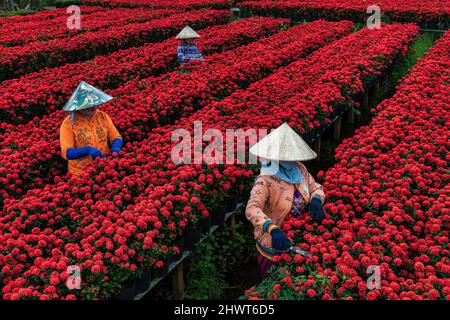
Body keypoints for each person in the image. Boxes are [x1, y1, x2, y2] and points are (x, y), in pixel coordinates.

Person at [245, 123, 326, 278]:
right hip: (274, 240)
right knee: (273, 281)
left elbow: (315, 187)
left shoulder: (300, 169)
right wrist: (272, 229)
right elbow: (252, 208)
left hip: (299, 233)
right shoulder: (265, 179)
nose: (292, 160)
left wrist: (316, 200)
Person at [60, 81, 123, 177]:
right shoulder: (68, 124)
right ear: (79, 107)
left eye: (95, 104)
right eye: (88, 106)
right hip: (82, 173)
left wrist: (116, 148)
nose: (93, 108)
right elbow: (67, 153)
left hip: (105, 166)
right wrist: (87, 150)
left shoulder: (102, 116)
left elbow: (115, 136)